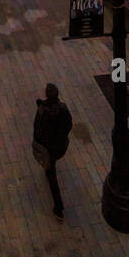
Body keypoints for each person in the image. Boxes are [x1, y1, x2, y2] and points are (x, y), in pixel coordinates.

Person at [33, 82, 73, 221]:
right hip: (59, 146)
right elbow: (69, 125)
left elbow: (37, 131)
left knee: (52, 177)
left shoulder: (42, 111)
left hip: (48, 149)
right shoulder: (63, 109)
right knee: (51, 165)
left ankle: (59, 208)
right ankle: (48, 168)